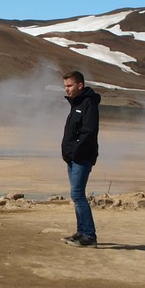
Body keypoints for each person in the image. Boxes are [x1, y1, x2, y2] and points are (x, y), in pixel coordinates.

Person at [60, 71, 100, 247]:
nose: (66, 89)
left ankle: (89, 235)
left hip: (82, 157)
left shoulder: (88, 103)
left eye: (69, 86)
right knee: (76, 195)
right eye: (65, 86)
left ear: (80, 85)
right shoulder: (77, 103)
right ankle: (81, 232)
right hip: (73, 158)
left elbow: (88, 132)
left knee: (78, 194)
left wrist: (75, 153)